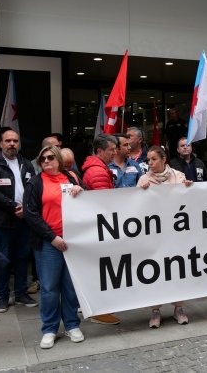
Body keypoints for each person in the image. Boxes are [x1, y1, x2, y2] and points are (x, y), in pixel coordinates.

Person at [23, 145, 85, 349]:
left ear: (58, 159)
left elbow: (87, 204)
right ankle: (49, 328)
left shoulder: (71, 178)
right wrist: (52, 237)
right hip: (48, 243)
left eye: (50, 157)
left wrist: (81, 191)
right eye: (43, 159)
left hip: (72, 240)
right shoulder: (35, 183)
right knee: (49, 287)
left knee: (70, 286)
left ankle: (72, 324)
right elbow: (31, 215)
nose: (46, 161)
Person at [0, 129, 37, 313]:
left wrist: (27, 208)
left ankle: (21, 293)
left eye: (15, 141)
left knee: (22, 258)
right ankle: (2, 297)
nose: (12, 144)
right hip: (3, 221)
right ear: (1, 143)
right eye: (8, 141)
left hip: (25, 220)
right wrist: (14, 206)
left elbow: (34, 188)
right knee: (3, 259)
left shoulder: (26, 164)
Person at [137, 145, 192, 328]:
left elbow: (187, 202)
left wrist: (189, 189)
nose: (150, 163)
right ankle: (155, 310)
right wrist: (140, 192)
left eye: (153, 159)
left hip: (175, 232)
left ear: (163, 159)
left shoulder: (178, 176)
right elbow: (136, 206)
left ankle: (179, 307)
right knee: (155, 270)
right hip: (154, 234)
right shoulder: (144, 179)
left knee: (177, 269)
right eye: (148, 160)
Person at [81, 133, 120, 325]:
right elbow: (104, 205)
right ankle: (99, 311)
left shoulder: (97, 168)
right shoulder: (98, 172)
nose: (115, 153)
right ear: (99, 151)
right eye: (111, 150)